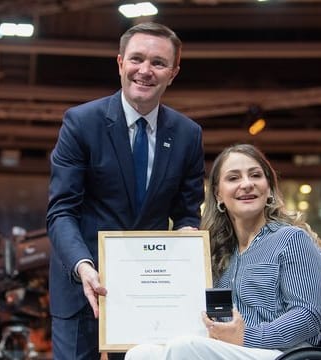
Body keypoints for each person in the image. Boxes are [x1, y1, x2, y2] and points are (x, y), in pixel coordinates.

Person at [46, 22, 205, 360]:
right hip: (83, 284)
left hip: (150, 295)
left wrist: (189, 239)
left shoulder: (189, 135)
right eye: (136, 59)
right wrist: (82, 266)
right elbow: (61, 212)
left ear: (173, 72)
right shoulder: (80, 123)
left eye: (158, 63)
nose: (145, 71)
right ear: (120, 63)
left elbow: (188, 211)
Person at [125, 144, 321, 360]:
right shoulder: (214, 250)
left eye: (255, 175)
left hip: (283, 354)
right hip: (228, 349)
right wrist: (183, 253)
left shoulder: (292, 239)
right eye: (233, 178)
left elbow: (307, 316)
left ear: (268, 189)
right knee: (140, 353)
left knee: (184, 347)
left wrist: (246, 336)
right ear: (218, 195)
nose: (247, 184)